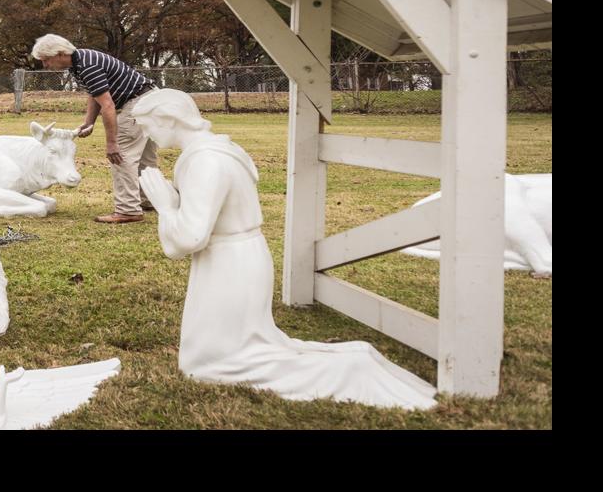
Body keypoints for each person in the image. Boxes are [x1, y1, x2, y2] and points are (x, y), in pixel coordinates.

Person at [133, 89, 438, 410]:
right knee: (217, 354)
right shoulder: (217, 149)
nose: (148, 135)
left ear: (169, 119)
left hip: (229, 264)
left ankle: (353, 369)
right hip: (234, 257)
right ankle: (354, 359)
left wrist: (166, 207)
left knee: (218, 363)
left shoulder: (205, 161)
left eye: (148, 126)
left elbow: (190, 238)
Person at [30, 34, 158, 224]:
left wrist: (112, 143)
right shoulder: (79, 62)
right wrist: (88, 122)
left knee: (121, 155)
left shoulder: (87, 66)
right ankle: (151, 199)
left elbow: (108, 105)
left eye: (46, 60)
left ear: (60, 53)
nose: (45, 65)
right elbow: (94, 93)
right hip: (151, 99)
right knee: (145, 158)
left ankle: (128, 209)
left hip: (137, 103)